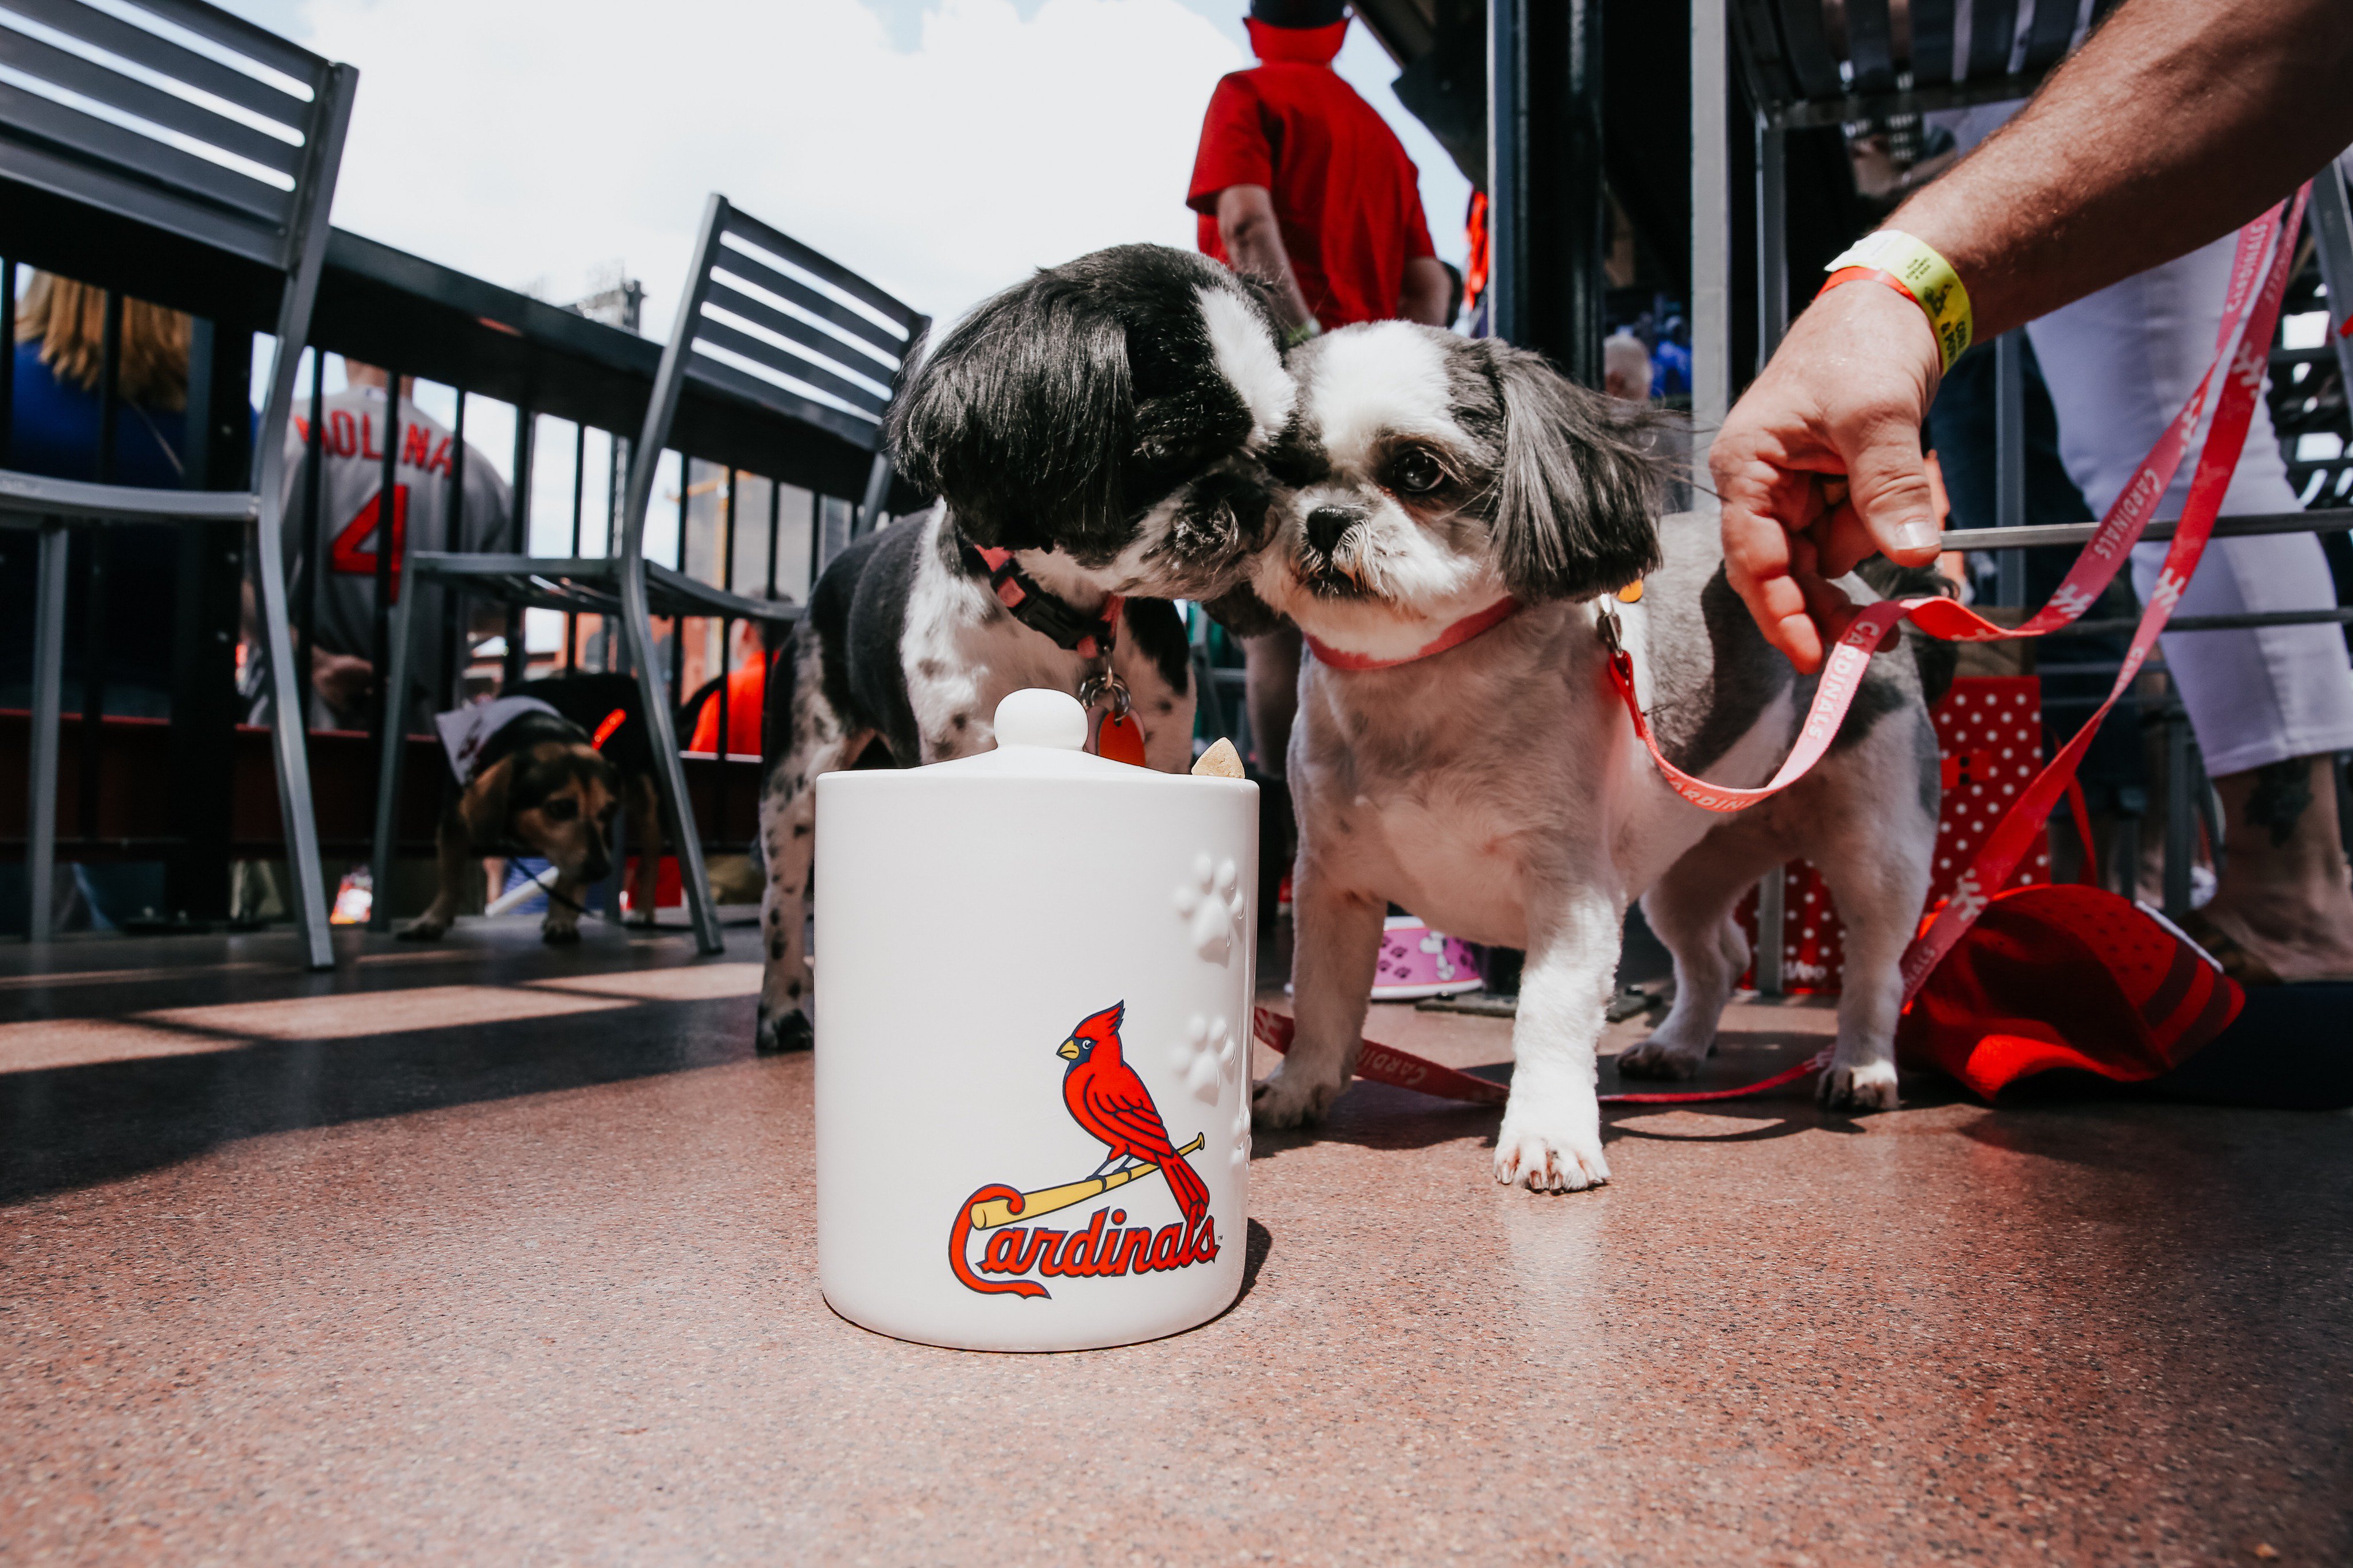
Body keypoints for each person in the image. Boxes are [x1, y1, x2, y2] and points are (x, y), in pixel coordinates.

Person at [1712, 0, 2353, 982]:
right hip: (2040, 81)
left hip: (2110, 54)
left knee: (2153, 432)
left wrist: (1892, 290)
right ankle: (2267, 875)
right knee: (2143, 440)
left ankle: (2293, 884)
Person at [1186, 0, 1452, 785]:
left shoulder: (1247, 94)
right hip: (1369, 412)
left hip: (1275, 393)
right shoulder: (1381, 136)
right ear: (1337, 33)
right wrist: (1395, 374)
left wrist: (1304, 345)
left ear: (1254, 24)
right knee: (1364, 613)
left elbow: (1243, 224)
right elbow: (1427, 283)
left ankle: (1292, 848)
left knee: (1274, 624)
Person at [263, 361, 511, 729]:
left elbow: (236, 580)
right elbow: (498, 611)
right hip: (418, 730)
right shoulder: (477, 471)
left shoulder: (281, 431)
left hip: (292, 722)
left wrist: (316, 662)